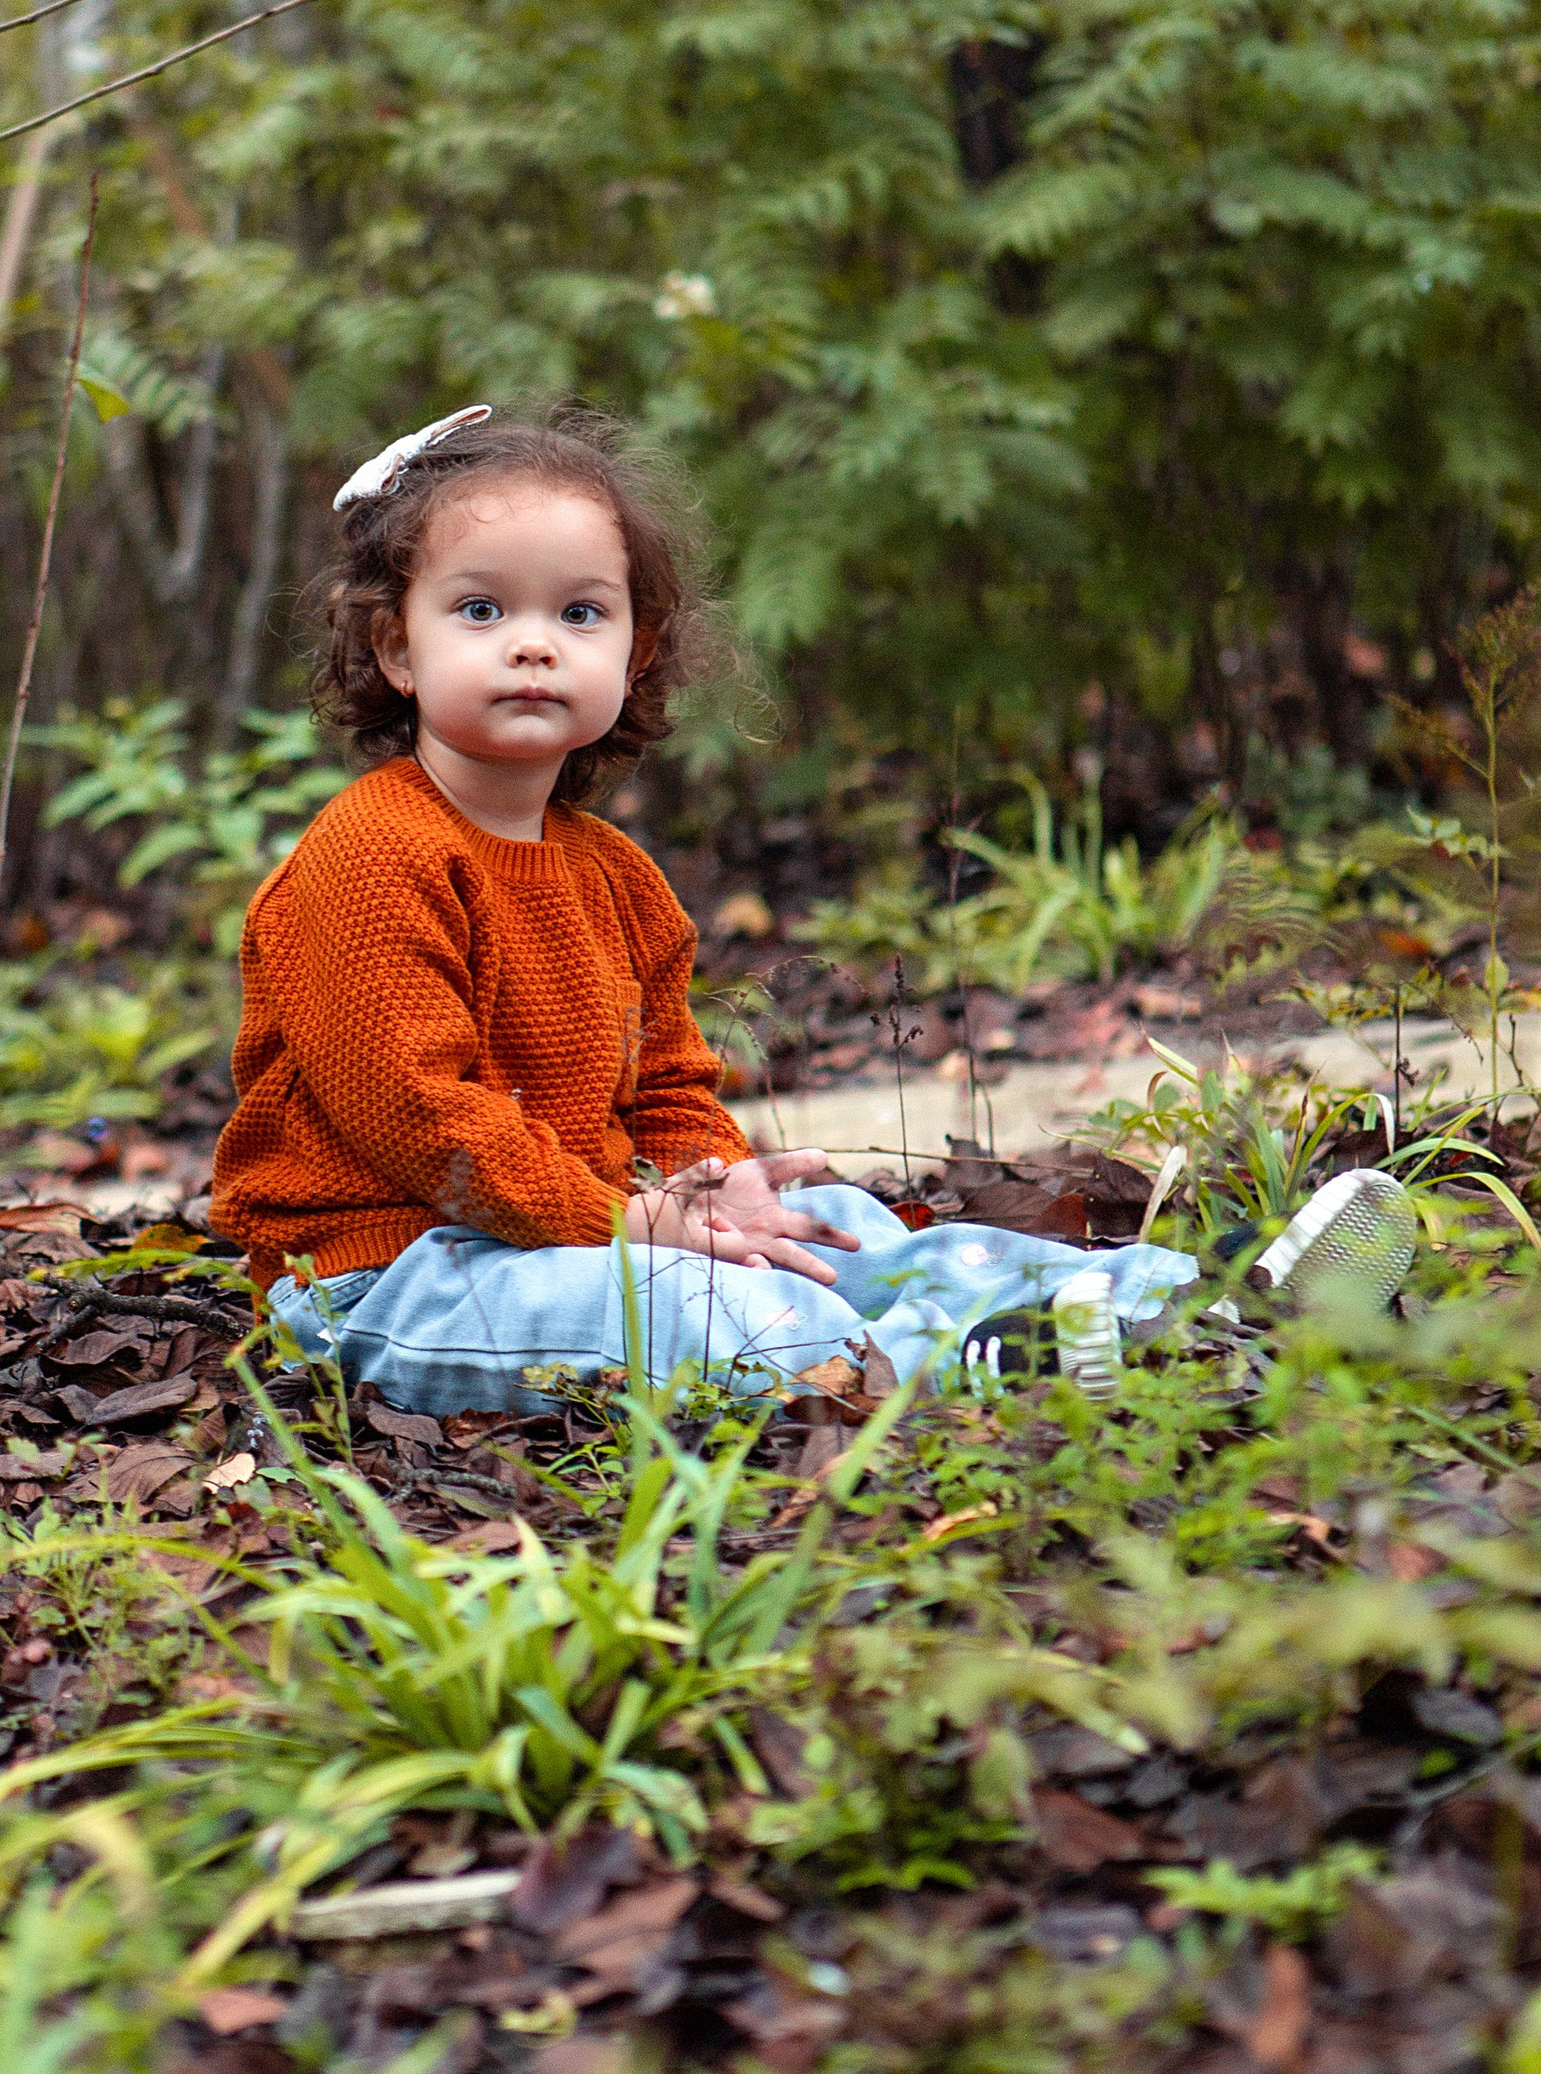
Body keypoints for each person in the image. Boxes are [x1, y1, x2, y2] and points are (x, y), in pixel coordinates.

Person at [209, 403, 1196, 1417]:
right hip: (388, 1274)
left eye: (580, 614)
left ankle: (1146, 1297)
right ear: (397, 649)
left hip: (580, 1234)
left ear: (635, 653)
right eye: (481, 609)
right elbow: (419, 1121)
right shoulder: (370, 855)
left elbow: (669, 1086)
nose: (534, 645)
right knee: (682, 1308)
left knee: (832, 1222)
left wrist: (716, 1187)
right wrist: (637, 1224)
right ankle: (942, 1366)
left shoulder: (615, 876)